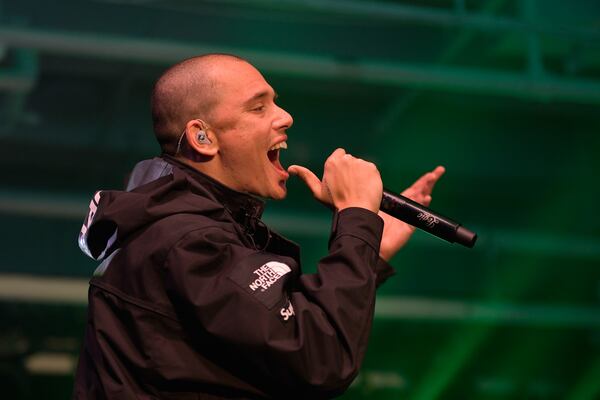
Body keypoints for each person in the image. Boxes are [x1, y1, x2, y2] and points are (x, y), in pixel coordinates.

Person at [73, 53, 445, 399]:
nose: (285, 117)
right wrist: (356, 220)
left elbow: (281, 337)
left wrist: (368, 253)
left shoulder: (187, 234)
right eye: (258, 107)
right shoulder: (185, 243)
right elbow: (319, 358)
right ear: (203, 138)